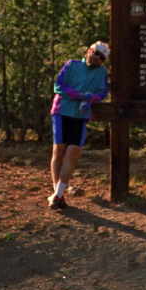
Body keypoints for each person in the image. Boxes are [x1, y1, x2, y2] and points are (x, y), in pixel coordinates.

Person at [48, 41, 109, 210]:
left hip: (81, 115)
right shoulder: (71, 65)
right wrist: (79, 95)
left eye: (102, 57)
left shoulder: (102, 72)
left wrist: (92, 98)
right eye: (96, 53)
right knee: (59, 150)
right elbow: (58, 86)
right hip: (62, 110)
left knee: (73, 153)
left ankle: (58, 195)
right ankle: (57, 194)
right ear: (89, 51)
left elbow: (103, 92)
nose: (98, 58)